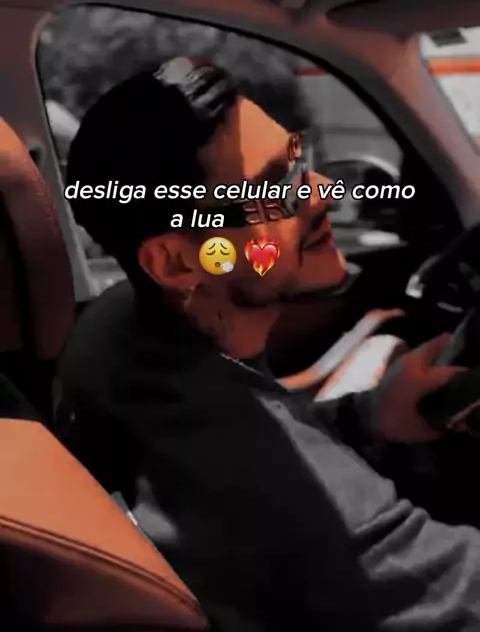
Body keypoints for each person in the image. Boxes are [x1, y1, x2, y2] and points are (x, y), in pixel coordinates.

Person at [57, 55, 480, 631]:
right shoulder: (315, 512)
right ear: (177, 261)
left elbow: (264, 434)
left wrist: (368, 416)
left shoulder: (113, 327)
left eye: (299, 163)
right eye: (274, 188)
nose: (322, 192)